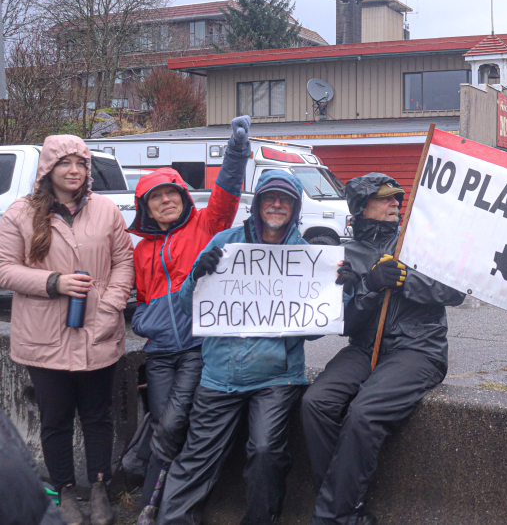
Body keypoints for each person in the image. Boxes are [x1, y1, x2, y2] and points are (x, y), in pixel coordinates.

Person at [301, 173, 465, 525]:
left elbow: (455, 291)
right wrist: (368, 288)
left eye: (397, 199)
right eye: (386, 199)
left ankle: (333, 515)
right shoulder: (345, 255)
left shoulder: (420, 242)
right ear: (362, 208)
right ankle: (347, 505)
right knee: (316, 403)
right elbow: (345, 324)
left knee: (364, 413)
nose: (396, 204)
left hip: (418, 349)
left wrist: (407, 279)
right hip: (365, 348)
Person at [156, 170, 311, 525]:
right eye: (269, 198)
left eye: (285, 200)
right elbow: (186, 308)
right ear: (256, 204)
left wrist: (341, 292)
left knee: (266, 449)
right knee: (198, 454)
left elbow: (317, 329)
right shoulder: (223, 243)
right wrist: (198, 277)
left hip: (277, 377)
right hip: (219, 374)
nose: (276, 205)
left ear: (295, 208)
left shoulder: (305, 256)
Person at [0, 135, 135, 525]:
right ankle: (64, 492)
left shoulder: (106, 210)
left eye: (81, 163)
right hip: (44, 337)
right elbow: (5, 269)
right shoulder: (19, 214)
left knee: (97, 416)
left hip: (98, 331)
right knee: (55, 418)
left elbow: (124, 262)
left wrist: (110, 306)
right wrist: (54, 283)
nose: (74, 170)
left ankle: (99, 488)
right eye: (65, 163)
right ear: (48, 170)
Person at [129, 116, 250, 515]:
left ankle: (152, 504)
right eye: (156, 197)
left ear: (183, 194)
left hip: (198, 348)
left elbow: (227, 194)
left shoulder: (205, 226)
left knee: (175, 421)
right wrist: (144, 320)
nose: (167, 200)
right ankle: (164, 503)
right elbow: (143, 298)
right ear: (146, 207)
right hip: (160, 352)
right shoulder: (142, 249)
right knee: (167, 422)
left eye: (172, 193)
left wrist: (235, 150)